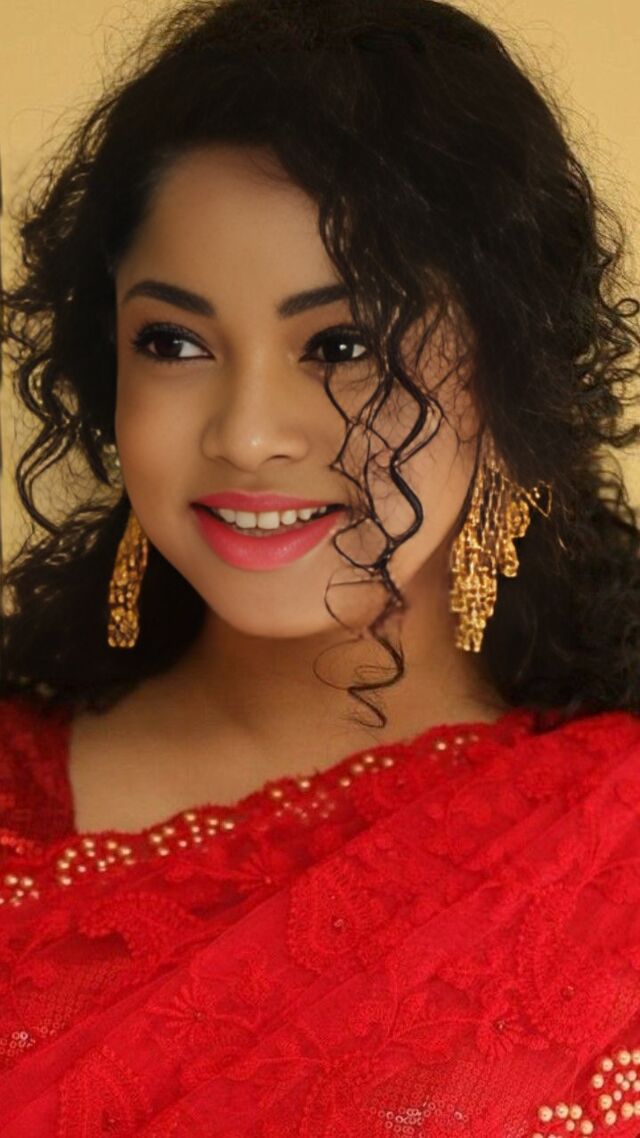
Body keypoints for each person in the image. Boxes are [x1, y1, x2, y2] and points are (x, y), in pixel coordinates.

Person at [1, 0, 639, 1133]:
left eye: (344, 347)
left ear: (510, 379)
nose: (248, 434)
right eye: (174, 343)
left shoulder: (610, 836)